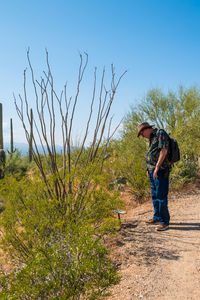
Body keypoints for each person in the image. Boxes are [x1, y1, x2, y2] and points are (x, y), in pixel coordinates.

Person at [137, 122, 171, 231]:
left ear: (147, 129)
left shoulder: (160, 133)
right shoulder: (152, 138)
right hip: (153, 171)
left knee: (161, 196)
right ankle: (157, 217)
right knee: (155, 195)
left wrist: (156, 167)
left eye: (142, 133)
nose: (142, 136)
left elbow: (164, 151)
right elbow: (152, 154)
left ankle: (164, 222)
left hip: (160, 171)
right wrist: (149, 169)